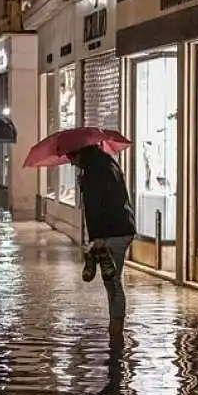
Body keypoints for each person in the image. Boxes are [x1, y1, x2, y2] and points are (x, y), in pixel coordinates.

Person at [68, 145, 136, 340]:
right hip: (122, 228)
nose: (72, 162)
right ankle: (115, 326)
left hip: (112, 232)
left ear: (81, 154)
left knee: (113, 282)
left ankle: (116, 330)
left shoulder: (93, 173)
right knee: (112, 280)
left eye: (72, 157)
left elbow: (97, 208)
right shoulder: (107, 164)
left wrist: (97, 238)